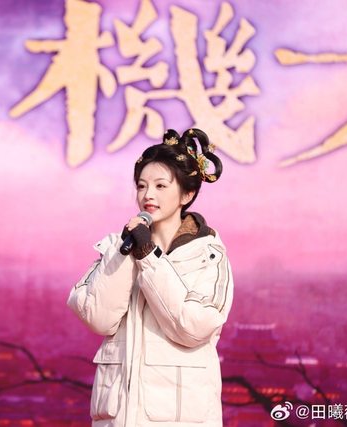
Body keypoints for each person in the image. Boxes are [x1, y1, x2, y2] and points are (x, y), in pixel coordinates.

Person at [67, 128, 234, 426]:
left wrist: (148, 256)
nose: (148, 195)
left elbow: (193, 327)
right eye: (142, 186)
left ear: (187, 194)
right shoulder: (119, 246)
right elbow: (98, 318)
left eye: (160, 185)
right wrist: (125, 254)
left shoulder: (208, 255)